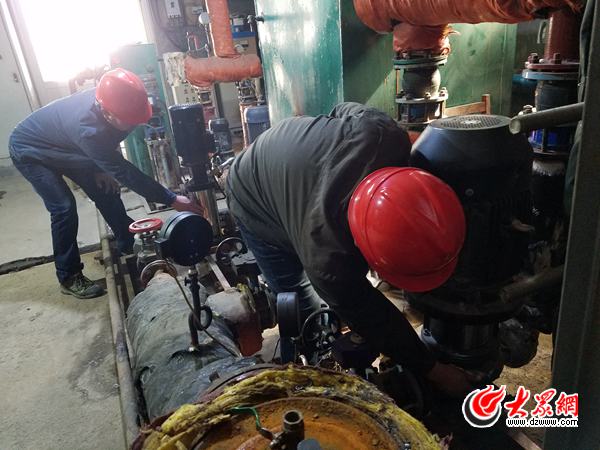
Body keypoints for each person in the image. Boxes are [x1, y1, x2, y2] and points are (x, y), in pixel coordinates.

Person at [226, 102, 475, 396]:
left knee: (340, 301)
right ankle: (310, 380)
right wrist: (434, 370)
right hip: (251, 195)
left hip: (286, 153)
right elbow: (374, 317)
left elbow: (341, 109)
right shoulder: (327, 258)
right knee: (304, 312)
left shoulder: (384, 134)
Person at [9, 68, 202, 299]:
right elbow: (125, 172)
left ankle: (128, 242)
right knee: (63, 207)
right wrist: (171, 198)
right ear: (107, 114)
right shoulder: (88, 129)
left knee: (106, 190)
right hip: (31, 151)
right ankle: (68, 276)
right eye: (129, 121)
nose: (133, 125)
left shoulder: (114, 99)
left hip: (68, 146)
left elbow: (108, 141)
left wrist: (100, 168)